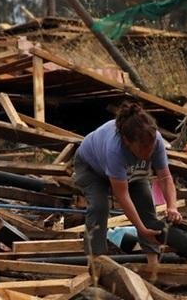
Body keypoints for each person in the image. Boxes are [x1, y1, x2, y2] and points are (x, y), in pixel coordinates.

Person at [72, 101, 181, 265]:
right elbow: (122, 195)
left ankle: (153, 264)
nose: (147, 153)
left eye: (150, 148)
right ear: (127, 141)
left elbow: (165, 178)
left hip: (130, 172)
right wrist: (141, 230)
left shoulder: (155, 140)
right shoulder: (115, 149)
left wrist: (172, 206)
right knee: (99, 207)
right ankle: (95, 263)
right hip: (91, 167)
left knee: (146, 204)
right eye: (142, 149)